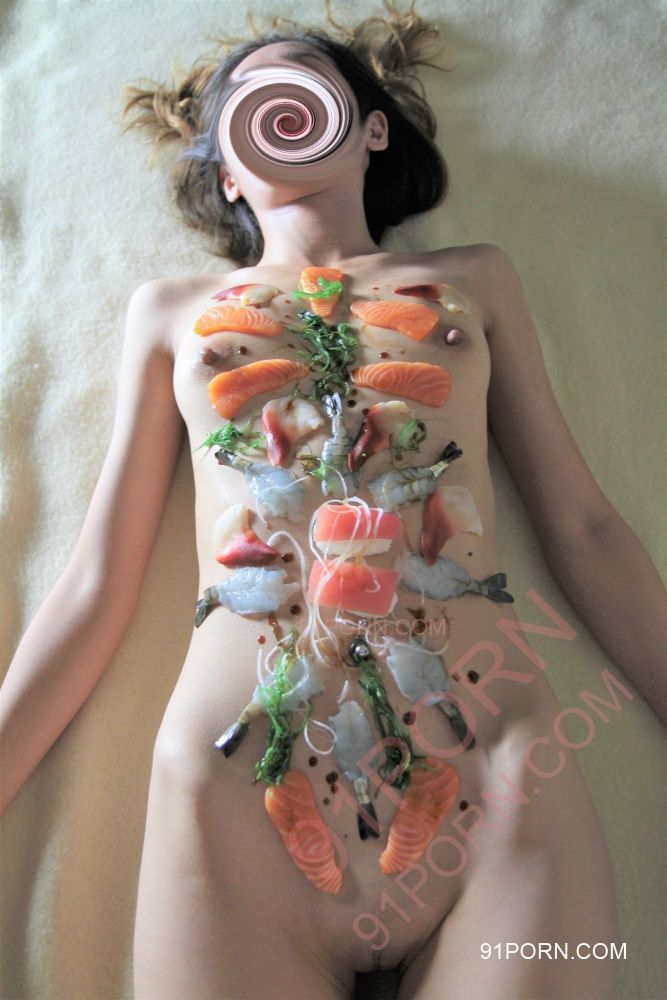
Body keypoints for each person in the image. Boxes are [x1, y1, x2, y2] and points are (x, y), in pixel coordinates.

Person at [1, 5, 664, 999]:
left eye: (306, 83)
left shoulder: (471, 279)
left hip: (500, 780)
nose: (279, 107)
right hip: (232, 800)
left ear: (370, 128)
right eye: (246, 103)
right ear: (229, 171)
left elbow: (584, 526)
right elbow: (98, 579)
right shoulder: (171, 311)